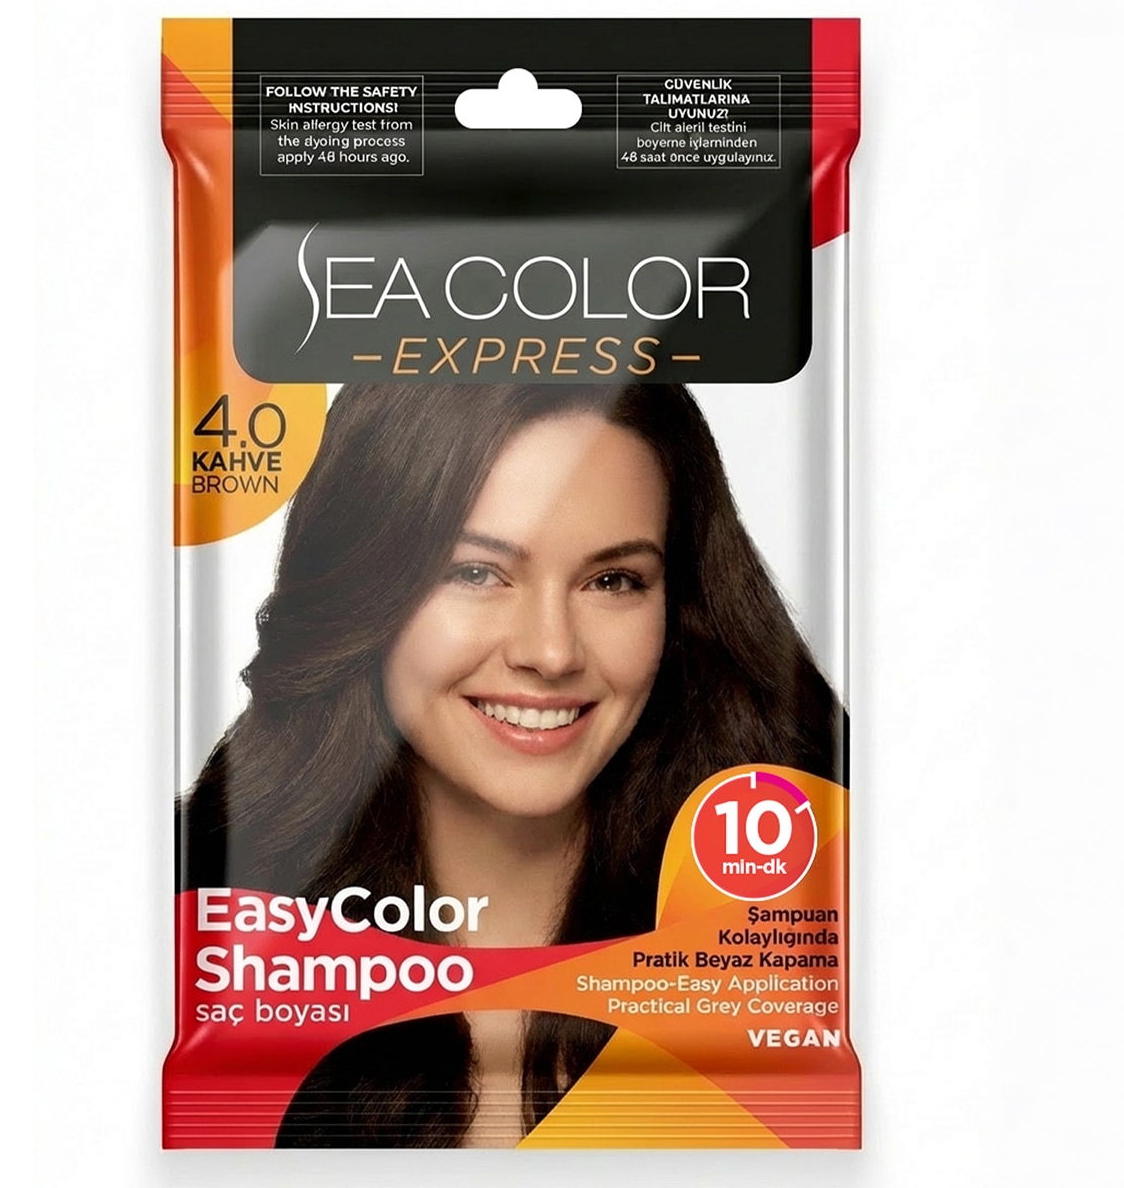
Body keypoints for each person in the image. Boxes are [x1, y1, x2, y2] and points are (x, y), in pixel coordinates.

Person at [179, 381, 844, 1147]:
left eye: (613, 581)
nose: (551, 653)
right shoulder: (190, 934)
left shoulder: (805, 928)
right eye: (475, 573)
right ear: (367, 592)